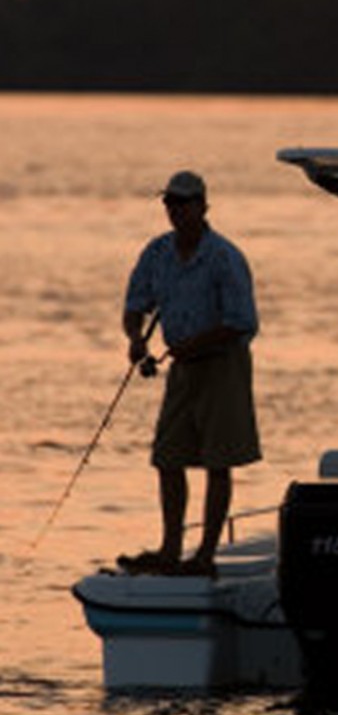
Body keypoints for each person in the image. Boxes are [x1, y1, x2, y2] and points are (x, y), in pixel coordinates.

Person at [117, 170, 261, 576]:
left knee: (219, 461)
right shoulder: (157, 252)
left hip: (223, 366)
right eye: (169, 204)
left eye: (182, 203)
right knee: (168, 457)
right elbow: (134, 305)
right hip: (182, 368)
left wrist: (192, 345)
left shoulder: (225, 257)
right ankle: (169, 551)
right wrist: (136, 340)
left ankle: (204, 556)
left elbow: (241, 321)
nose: (174, 210)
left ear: (202, 206)